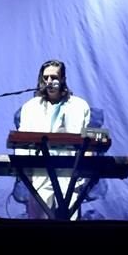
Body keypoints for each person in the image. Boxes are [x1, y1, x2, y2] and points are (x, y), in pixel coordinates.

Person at [17, 59, 90, 219]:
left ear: (63, 79)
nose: (49, 82)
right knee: (39, 222)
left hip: (69, 172)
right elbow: (21, 141)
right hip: (40, 172)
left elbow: (87, 141)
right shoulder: (30, 107)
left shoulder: (79, 106)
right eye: (45, 78)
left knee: (70, 220)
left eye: (54, 77)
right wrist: (25, 170)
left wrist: (84, 168)